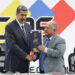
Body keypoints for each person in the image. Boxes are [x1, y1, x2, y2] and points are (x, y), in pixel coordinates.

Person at [4, 5, 34, 73]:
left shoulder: (28, 26)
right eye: (22, 15)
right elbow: (12, 45)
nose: (24, 17)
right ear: (16, 14)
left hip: (25, 64)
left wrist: (33, 52)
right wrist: (26, 56)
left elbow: (29, 43)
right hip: (13, 65)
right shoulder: (9, 27)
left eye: (25, 15)